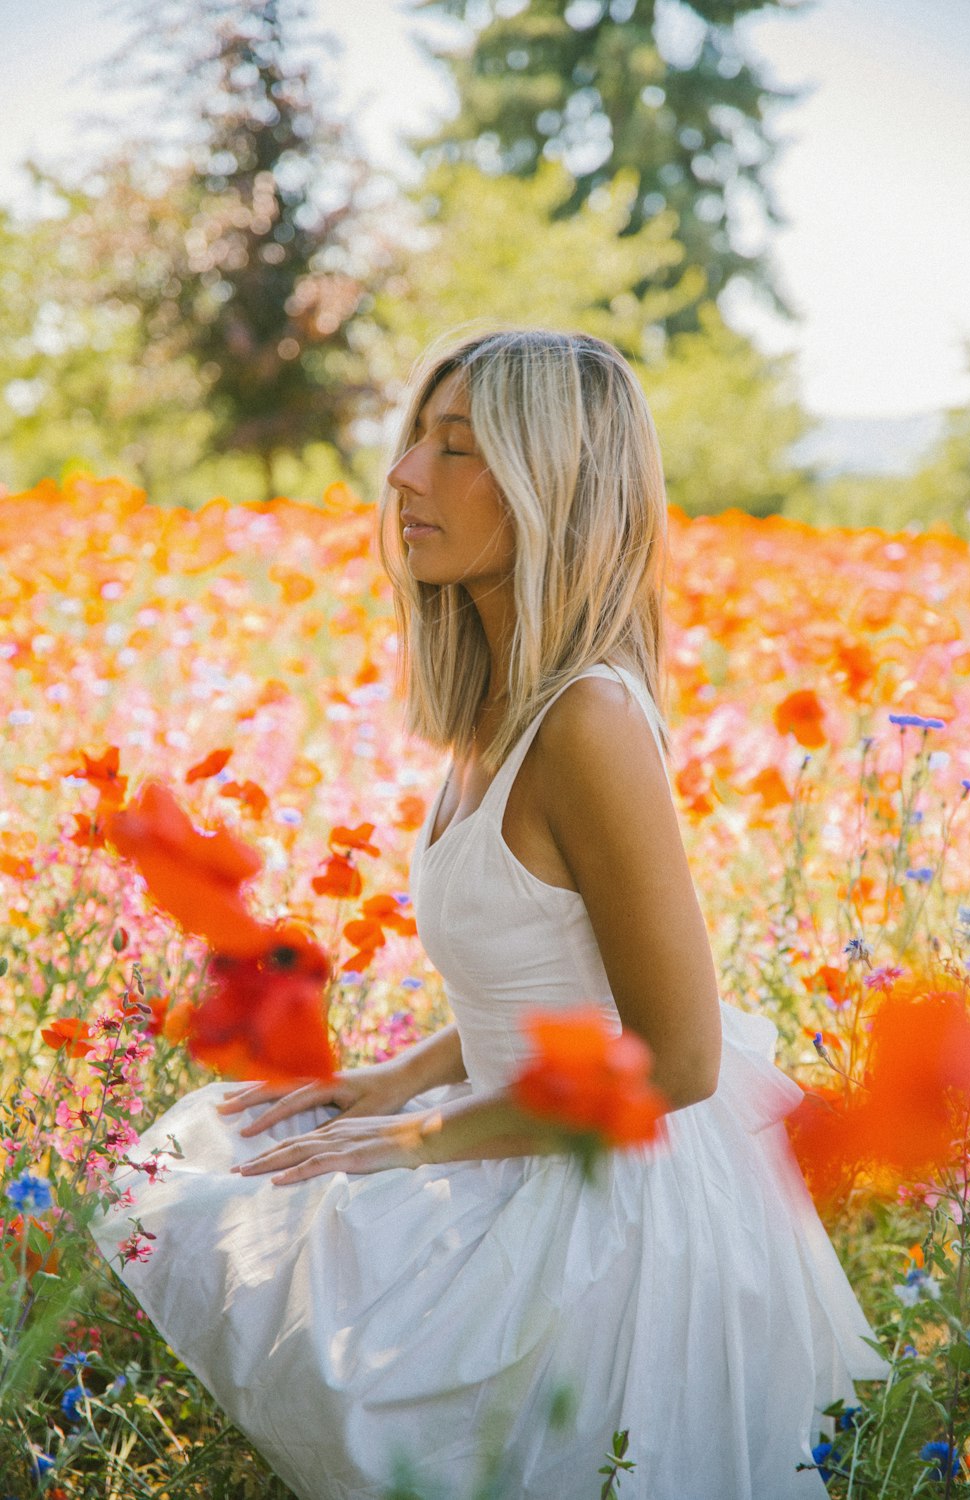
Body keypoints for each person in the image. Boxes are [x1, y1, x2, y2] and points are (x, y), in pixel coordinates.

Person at [92, 327, 886, 1499]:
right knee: (210, 1161)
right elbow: (552, 976)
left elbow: (678, 1056)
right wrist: (397, 1082)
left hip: (606, 1205)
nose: (405, 474)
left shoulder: (587, 725)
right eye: (416, 439)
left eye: (455, 448)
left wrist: (414, 1139)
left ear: (550, 487)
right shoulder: (503, 713)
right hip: (506, 1128)